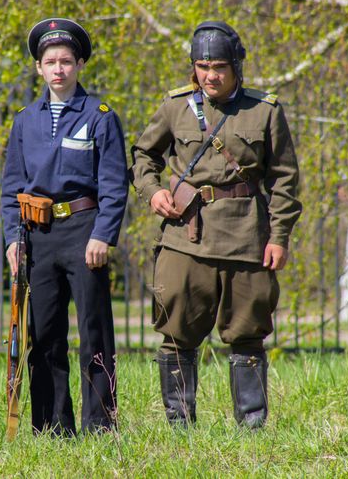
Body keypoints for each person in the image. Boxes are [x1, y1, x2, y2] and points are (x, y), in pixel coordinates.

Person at [130, 21, 302, 429]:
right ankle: (180, 428)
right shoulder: (175, 106)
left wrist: (279, 237)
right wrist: (152, 191)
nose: (211, 75)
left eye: (219, 66)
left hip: (246, 238)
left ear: (236, 67)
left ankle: (252, 427)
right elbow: (143, 155)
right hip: (185, 239)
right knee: (176, 334)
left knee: (247, 334)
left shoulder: (265, 111)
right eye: (203, 66)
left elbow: (285, 179)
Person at [0, 18, 128, 435]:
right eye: (50, 62)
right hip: (37, 236)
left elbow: (113, 184)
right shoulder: (24, 120)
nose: (59, 69)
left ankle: (100, 424)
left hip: (84, 230)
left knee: (94, 332)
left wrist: (103, 235)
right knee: (45, 334)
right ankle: (52, 425)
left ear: (79, 65)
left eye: (67, 61)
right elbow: (10, 190)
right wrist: (13, 241)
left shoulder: (100, 116)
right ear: (39, 68)